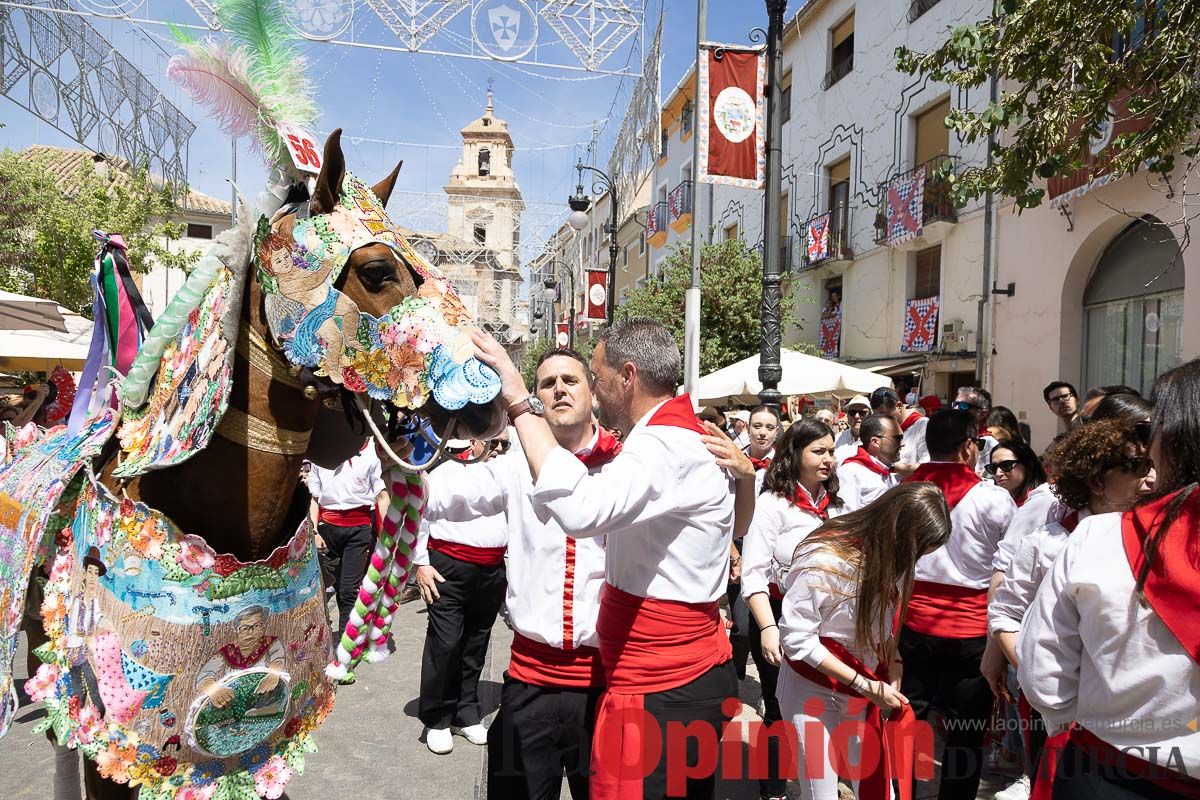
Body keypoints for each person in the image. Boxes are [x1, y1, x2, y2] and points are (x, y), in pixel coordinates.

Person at [472, 317, 752, 799]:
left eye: (594, 379)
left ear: (628, 377)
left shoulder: (661, 443)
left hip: (661, 682)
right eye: (547, 384)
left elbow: (581, 509)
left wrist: (518, 399)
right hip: (652, 675)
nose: (595, 395)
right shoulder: (672, 436)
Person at [418, 348, 616, 797]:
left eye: (571, 379)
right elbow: (444, 495)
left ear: (594, 394)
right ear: (536, 398)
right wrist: (405, 467)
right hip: (530, 680)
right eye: (547, 383)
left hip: (603, 684)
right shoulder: (512, 464)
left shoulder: (624, 465)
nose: (559, 389)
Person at [1019, 359, 1198, 799]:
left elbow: (1044, 674)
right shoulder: (1072, 529)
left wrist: (1095, 723)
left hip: (1110, 768)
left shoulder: (1099, 538)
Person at [987, 419, 1154, 798]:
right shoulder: (1047, 542)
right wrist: (1033, 671)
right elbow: (1006, 612)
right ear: (1096, 481)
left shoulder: (1156, 539)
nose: (1150, 478)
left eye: (1150, 465)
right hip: (1061, 717)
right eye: (1136, 468)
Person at [778, 482, 952, 800]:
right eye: (915, 552)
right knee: (822, 795)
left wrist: (894, 663)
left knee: (878, 790)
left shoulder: (894, 559)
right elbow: (796, 638)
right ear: (898, 533)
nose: (912, 563)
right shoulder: (827, 557)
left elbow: (882, 626)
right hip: (813, 687)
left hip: (863, 687)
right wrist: (867, 686)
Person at [899, 409, 1016, 800]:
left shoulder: (902, 490)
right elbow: (1011, 565)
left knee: (906, 720)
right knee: (966, 734)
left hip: (911, 623)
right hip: (971, 631)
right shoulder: (993, 499)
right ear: (969, 447)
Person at [741, 418, 844, 800]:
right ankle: (773, 789)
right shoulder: (772, 504)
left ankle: (820, 783)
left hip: (828, 627)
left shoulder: (837, 505)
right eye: (819, 451)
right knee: (779, 710)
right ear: (795, 454)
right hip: (778, 619)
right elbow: (752, 574)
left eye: (832, 451)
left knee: (823, 711)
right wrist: (769, 628)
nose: (829, 459)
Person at [413, 438, 509, 754]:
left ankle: (466, 711)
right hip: (447, 569)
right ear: (472, 439)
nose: (498, 447)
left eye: (503, 443)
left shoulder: (502, 472)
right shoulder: (441, 473)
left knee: (476, 643)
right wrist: (421, 564)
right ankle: (438, 717)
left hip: (491, 570)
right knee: (446, 642)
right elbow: (418, 516)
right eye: (494, 441)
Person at [307, 441, 389, 640]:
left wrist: (388, 536)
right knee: (327, 588)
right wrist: (314, 531)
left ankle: (346, 643)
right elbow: (314, 499)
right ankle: (328, 636)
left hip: (359, 530)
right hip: (327, 530)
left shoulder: (371, 452)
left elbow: (382, 496)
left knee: (348, 589)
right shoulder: (320, 454)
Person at [838, 413, 902, 511]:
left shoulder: (887, 471)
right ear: (875, 442)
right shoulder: (851, 472)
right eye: (897, 438)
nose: (903, 444)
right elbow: (844, 518)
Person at [987, 438, 1047, 506]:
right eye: (993, 467)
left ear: (1027, 464)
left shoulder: (1040, 500)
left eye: (1006, 465)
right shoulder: (993, 500)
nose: (998, 473)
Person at [951, 386, 996, 474]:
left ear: (982, 414)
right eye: (954, 404)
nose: (956, 409)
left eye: (963, 406)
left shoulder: (989, 443)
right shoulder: (947, 437)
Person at [833, 395, 870, 463]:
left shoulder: (876, 441)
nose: (856, 416)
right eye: (852, 412)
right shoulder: (837, 439)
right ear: (847, 415)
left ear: (870, 416)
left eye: (862, 413)